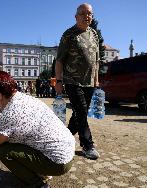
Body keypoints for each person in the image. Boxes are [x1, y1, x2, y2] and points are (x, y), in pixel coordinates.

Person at [55, 3, 100, 160]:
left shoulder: (94, 34)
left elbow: (96, 60)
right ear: (76, 16)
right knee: (81, 111)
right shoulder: (69, 35)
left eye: (90, 14)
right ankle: (87, 145)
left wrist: (96, 80)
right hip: (72, 81)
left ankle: (63, 138)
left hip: (89, 82)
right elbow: (59, 60)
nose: (87, 16)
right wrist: (58, 81)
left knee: (80, 113)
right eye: (83, 13)